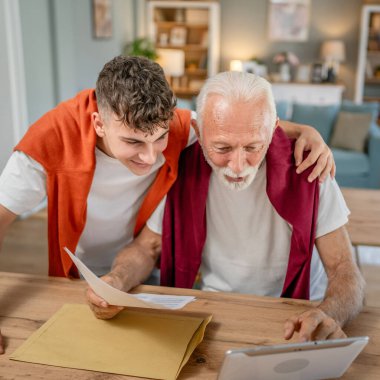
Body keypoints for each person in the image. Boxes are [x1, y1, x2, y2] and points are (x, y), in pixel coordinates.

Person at [0, 57, 333, 353]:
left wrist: (307, 131)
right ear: (99, 123)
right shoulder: (48, 141)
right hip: (79, 275)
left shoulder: (178, 127)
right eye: (132, 142)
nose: (150, 157)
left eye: (159, 138)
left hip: (148, 274)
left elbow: (244, 128)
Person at [88, 72, 364, 344]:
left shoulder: (309, 167)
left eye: (253, 146)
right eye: (222, 147)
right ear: (198, 132)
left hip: (298, 312)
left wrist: (329, 314)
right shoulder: (183, 167)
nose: (238, 165)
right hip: (217, 309)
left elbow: (345, 269)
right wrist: (116, 280)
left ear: (273, 131)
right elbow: (146, 248)